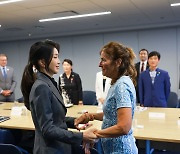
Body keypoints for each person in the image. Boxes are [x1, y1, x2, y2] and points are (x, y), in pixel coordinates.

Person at [21, 40, 96, 154]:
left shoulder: (50, 83)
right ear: (42, 62)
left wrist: (74, 121)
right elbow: (47, 129)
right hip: (49, 150)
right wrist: (81, 136)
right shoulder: (41, 87)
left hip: (58, 147)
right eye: (55, 57)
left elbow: (55, 119)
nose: (59, 61)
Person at [75, 42, 138, 154]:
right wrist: (91, 116)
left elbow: (124, 127)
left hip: (121, 150)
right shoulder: (116, 83)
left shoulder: (121, 86)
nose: (100, 64)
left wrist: (95, 134)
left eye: (104, 60)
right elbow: (113, 114)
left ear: (118, 62)